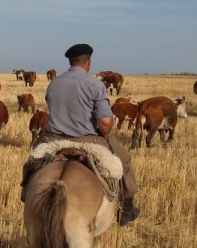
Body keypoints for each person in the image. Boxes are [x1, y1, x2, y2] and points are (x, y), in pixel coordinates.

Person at [36, 43, 140, 226]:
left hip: (53, 139)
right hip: (87, 140)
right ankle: (127, 209)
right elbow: (106, 123)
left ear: (70, 61)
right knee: (124, 159)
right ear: (88, 62)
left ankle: (26, 195)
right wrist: (103, 131)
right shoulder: (94, 84)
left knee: (32, 163)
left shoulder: (54, 84)